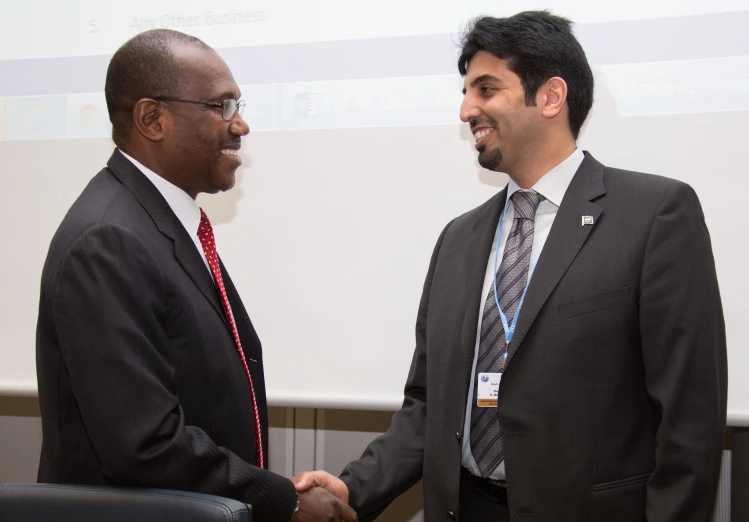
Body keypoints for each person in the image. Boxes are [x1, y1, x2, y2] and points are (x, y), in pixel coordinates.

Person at [294, 11, 727, 522]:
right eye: (465, 91)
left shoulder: (654, 214)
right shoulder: (458, 239)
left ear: (550, 97)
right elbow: (429, 407)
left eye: (485, 89)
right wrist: (351, 490)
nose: (465, 110)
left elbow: (689, 420)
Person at [35, 29, 356, 522]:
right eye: (221, 106)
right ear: (152, 119)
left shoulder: (159, 225)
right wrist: (284, 500)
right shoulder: (109, 240)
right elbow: (145, 444)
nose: (241, 124)